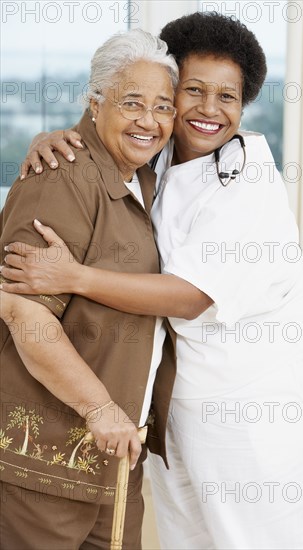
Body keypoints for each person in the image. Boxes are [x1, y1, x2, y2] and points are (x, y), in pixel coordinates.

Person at [2, 12, 303, 550]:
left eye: (227, 97)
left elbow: (191, 295)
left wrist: (76, 276)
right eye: (191, 92)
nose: (208, 110)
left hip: (263, 380)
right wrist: (59, 137)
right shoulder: (148, 156)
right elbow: (115, 119)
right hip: (176, 393)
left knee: (256, 533)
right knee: (194, 532)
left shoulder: (245, 173)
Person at [0, 29, 180, 550]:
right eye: (132, 103)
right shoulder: (60, 176)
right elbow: (23, 315)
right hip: (43, 460)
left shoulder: (144, 176)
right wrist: (100, 409)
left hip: (115, 459)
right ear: (94, 102)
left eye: (162, 106)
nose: (150, 120)